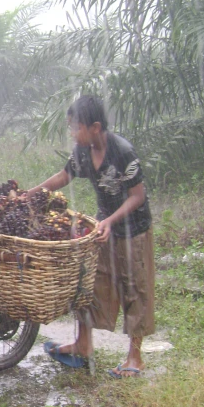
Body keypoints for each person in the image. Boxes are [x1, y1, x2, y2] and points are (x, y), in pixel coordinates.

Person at [27, 95, 155, 378]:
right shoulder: (83, 151)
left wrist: (110, 220)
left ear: (95, 127)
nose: (73, 133)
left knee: (135, 288)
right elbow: (63, 176)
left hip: (133, 229)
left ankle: (135, 357)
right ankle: (83, 344)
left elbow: (137, 196)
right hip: (102, 229)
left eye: (76, 127)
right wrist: (33, 193)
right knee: (89, 284)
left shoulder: (123, 152)